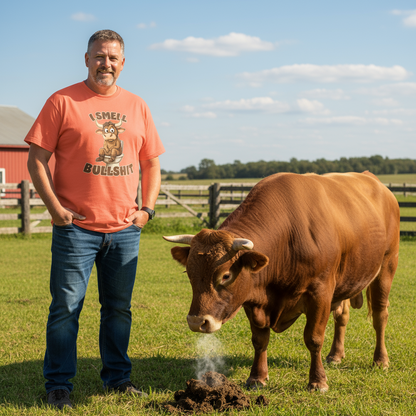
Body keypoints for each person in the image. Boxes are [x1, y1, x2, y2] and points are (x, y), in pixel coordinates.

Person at [25, 29, 165, 409]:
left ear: (123, 63)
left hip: (124, 230)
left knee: (118, 309)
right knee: (66, 308)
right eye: (99, 56)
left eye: (113, 58)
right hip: (75, 229)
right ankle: (58, 385)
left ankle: (118, 379)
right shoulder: (62, 101)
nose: (106, 63)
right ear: (86, 59)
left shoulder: (137, 106)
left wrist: (146, 209)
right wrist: (55, 209)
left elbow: (151, 162)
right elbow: (36, 160)